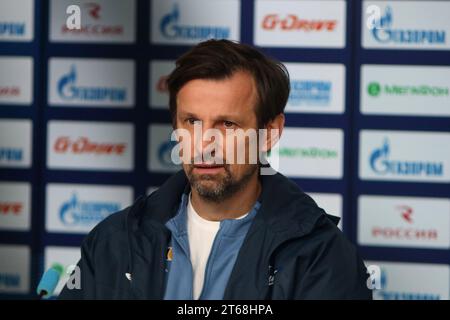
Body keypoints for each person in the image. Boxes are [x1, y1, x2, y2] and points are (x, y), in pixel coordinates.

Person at [59, 39, 372, 300]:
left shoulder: (322, 257)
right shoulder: (115, 241)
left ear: (270, 132)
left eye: (228, 124)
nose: (204, 144)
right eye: (191, 122)